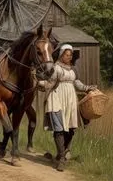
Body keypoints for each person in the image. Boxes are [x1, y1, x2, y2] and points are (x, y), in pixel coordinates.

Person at [37, 44, 97, 172]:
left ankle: (61, 153)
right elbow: (49, 83)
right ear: (61, 55)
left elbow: (76, 83)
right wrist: (38, 83)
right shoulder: (56, 68)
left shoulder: (73, 69)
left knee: (70, 128)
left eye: (70, 55)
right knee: (58, 128)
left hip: (70, 100)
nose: (69, 57)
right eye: (66, 54)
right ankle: (62, 159)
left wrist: (87, 88)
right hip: (56, 98)